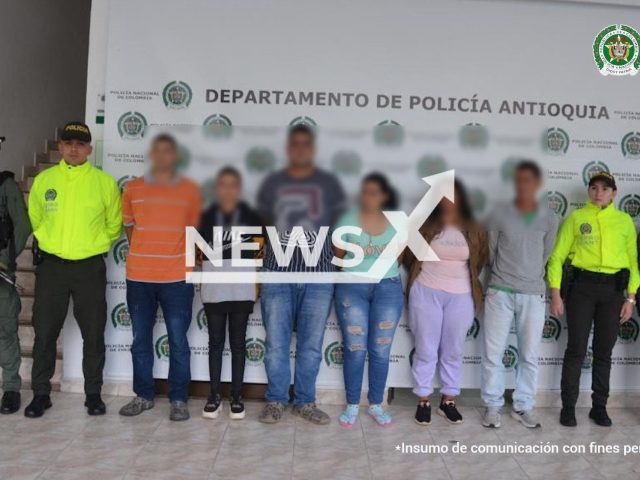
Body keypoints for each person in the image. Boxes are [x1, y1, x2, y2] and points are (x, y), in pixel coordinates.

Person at [25, 122, 121, 418]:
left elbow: (114, 224)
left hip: (89, 268)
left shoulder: (104, 182)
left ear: (89, 149)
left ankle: (93, 394)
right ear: (61, 147)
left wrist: (95, 244)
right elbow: (36, 218)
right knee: (44, 332)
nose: (74, 149)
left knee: (93, 333)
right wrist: (49, 241)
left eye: (80, 144)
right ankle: (41, 393)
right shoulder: (44, 179)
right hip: (52, 267)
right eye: (68, 143)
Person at [256, 124, 346, 425]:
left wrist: (336, 268)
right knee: (276, 344)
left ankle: (305, 401)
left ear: (313, 149)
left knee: (310, 345)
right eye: (295, 144)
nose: (300, 149)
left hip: (319, 275)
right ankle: (276, 401)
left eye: (306, 144)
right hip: (278, 274)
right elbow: (265, 224)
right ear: (288, 149)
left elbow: (338, 229)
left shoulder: (330, 184)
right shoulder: (271, 183)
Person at [119, 134, 201, 421]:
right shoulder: (132, 188)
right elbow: (129, 228)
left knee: (178, 341)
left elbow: (195, 234)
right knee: (140, 339)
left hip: (177, 278)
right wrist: (146, 251)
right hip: (139, 278)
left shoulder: (190, 190)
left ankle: (178, 399)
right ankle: (143, 395)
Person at [548, 171, 638, 427]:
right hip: (582, 289)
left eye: (605, 189)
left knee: (604, 351)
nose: (599, 193)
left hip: (613, 292)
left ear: (614, 193)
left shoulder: (623, 222)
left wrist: (630, 299)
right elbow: (557, 257)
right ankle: (568, 407)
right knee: (575, 348)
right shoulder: (576, 217)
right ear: (589, 191)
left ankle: (599, 407)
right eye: (595, 188)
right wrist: (555, 291)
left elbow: (633, 263)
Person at [480, 161, 558, 429]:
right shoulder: (498, 214)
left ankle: (523, 406)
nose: (523, 185)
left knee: (529, 354)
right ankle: (492, 405)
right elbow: (492, 252)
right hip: (499, 290)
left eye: (529, 180)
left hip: (532, 293)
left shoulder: (550, 217)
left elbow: (545, 255)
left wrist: (528, 275)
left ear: (537, 185)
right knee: (493, 353)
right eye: (519, 180)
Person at [405, 180, 488, 426]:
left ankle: (449, 400)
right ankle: (423, 400)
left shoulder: (474, 228)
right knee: (426, 348)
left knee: (453, 350)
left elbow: (480, 259)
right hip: (426, 292)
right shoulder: (424, 223)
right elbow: (409, 255)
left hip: (461, 294)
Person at [333, 173, 403, 428]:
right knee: (354, 348)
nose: (368, 197)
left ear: (384, 196)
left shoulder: (397, 222)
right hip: (352, 286)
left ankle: (375, 404)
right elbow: (338, 255)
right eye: (365, 192)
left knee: (381, 350)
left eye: (374, 192)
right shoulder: (347, 219)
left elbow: (399, 256)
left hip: (388, 287)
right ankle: (352, 404)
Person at [198, 166, 263, 420]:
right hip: (214, 289)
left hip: (242, 288)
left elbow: (260, 253)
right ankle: (214, 395)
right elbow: (197, 252)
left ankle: (237, 396)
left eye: (233, 185)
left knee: (238, 344)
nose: (228, 189)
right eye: (222, 184)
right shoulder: (205, 216)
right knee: (215, 344)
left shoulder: (251, 215)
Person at [0, 166, 31, 414]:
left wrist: (2, 260)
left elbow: (21, 225)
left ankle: (11, 388)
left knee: (5, 332)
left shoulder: (6, 186)